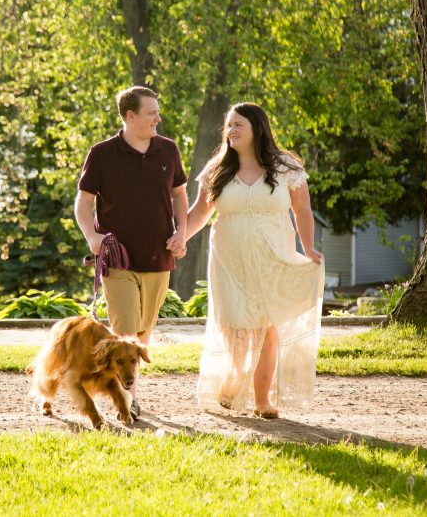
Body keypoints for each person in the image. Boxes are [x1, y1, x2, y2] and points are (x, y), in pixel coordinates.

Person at [184, 102, 325, 418]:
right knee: (234, 326)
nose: (231, 131)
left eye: (238, 125)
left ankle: (262, 399)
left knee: (266, 326)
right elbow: (198, 213)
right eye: (229, 126)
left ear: (257, 129)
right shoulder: (217, 169)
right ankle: (236, 378)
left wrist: (309, 248)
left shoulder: (285, 166)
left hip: (272, 258)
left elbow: (302, 210)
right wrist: (179, 239)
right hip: (228, 261)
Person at [75, 86, 188, 419]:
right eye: (152, 112)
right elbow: (83, 203)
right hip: (117, 260)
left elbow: (180, 196)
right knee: (125, 332)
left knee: (142, 335)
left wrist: (181, 232)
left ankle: (124, 391)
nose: (158, 118)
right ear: (130, 116)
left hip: (158, 258)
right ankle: (129, 401)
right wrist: (92, 237)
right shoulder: (102, 153)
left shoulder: (168, 150)